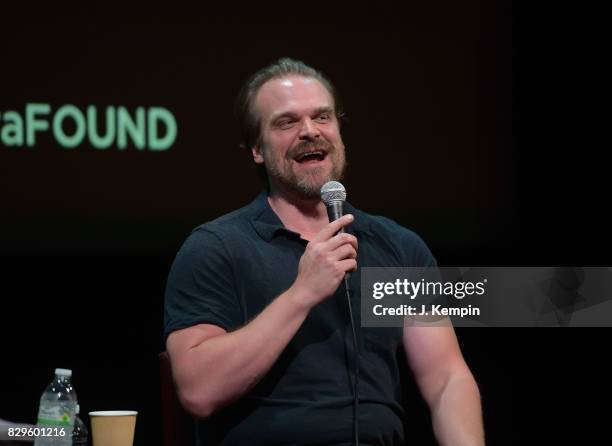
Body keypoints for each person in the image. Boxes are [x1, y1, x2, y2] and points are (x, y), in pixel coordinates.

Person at [164, 58, 484, 445]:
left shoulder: (397, 247)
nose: (309, 131)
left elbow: (446, 378)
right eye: (287, 122)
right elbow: (199, 391)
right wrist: (302, 294)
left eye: (322, 117)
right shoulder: (217, 248)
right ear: (257, 150)